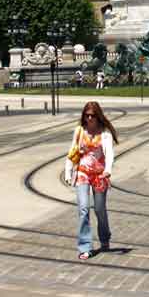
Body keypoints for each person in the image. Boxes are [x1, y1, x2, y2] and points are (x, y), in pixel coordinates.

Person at [65, 102, 118, 260]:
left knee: (100, 209)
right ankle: (85, 246)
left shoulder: (105, 134)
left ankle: (104, 238)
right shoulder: (79, 131)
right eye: (87, 115)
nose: (89, 118)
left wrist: (108, 170)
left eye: (92, 115)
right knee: (83, 208)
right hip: (82, 173)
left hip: (100, 175)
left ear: (98, 116)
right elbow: (72, 151)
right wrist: (68, 171)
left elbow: (109, 154)